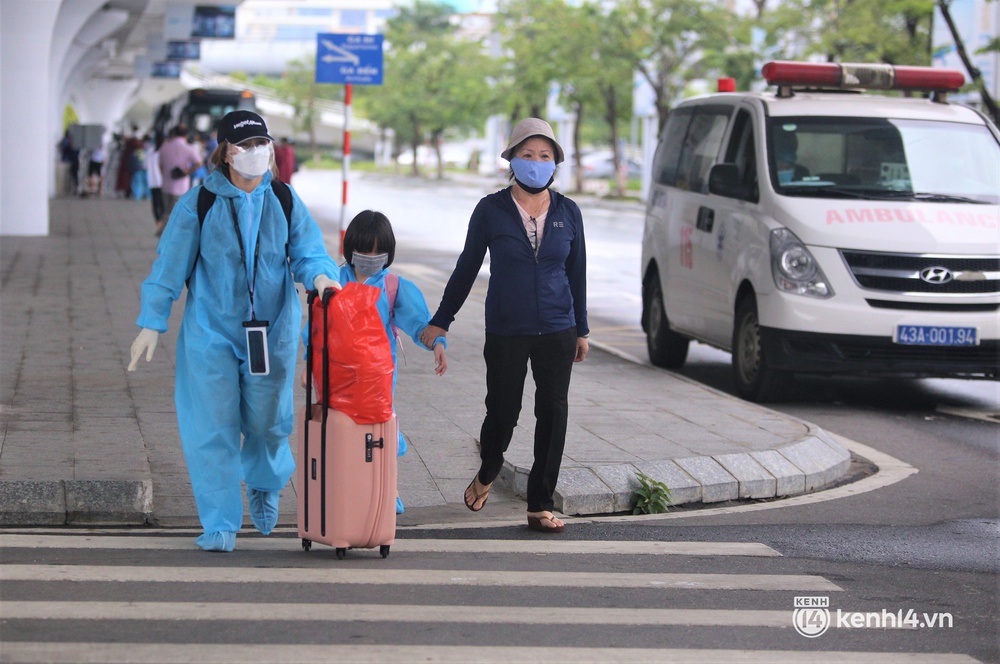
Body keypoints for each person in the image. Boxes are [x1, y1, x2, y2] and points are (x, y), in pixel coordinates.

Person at [128, 110, 340, 552]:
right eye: (243, 146)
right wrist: (152, 322)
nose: (254, 153)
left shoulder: (282, 199)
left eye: (260, 144)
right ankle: (220, 521)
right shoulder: (198, 204)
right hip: (212, 332)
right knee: (211, 425)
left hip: (272, 330)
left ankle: (264, 482)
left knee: (268, 421)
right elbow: (169, 268)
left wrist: (321, 277)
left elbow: (307, 250)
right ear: (224, 152)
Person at [419, 118, 589, 534]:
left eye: (544, 157)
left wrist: (581, 328)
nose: (536, 163)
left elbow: (577, 272)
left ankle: (540, 504)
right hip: (506, 329)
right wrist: (441, 320)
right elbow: (466, 268)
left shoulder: (569, 211)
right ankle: (489, 468)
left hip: (557, 327)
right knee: (502, 411)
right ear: (512, 160)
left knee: (553, 412)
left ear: (555, 164)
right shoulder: (491, 210)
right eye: (527, 155)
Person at [317, 210, 448, 514]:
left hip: (378, 376)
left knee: (380, 430)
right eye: (364, 250)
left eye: (379, 251)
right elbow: (317, 328)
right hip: (337, 374)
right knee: (342, 432)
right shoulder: (333, 282)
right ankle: (346, 490)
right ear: (350, 248)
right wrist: (311, 365)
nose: (371, 257)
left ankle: (388, 489)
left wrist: (438, 344)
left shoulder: (393, 286)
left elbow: (419, 324)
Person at [157, 125, 203, 236]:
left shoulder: (165, 147)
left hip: (166, 184)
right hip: (180, 186)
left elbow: (160, 165)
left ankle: (164, 231)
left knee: (167, 210)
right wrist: (186, 172)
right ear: (186, 135)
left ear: (174, 134)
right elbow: (199, 162)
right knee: (177, 211)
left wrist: (164, 175)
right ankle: (168, 234)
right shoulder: (189, 148)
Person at [147, 134, 165, 230]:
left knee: (155, 203)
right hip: (162, 181)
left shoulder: (150, 151)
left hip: (152, 181)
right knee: (162, 203)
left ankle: (158, 222)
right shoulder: (164, 152)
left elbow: (146, 166)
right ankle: (162, 223)